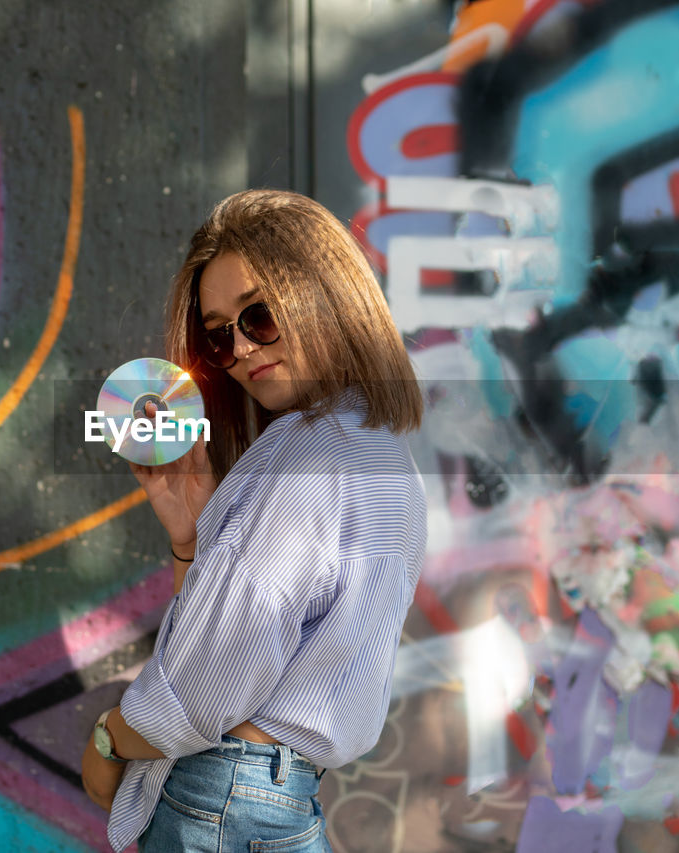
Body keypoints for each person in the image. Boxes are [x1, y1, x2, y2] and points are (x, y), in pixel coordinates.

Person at [80, 189, 427, 852]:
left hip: (222, 803)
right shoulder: (387, 456)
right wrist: (192, 538)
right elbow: (258, 638)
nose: (239, 347)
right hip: (278, 802)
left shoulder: (304, 453)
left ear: (325, 293)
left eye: (258, 315)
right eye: (218, 335)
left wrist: (110, 737)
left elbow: (205, 689)